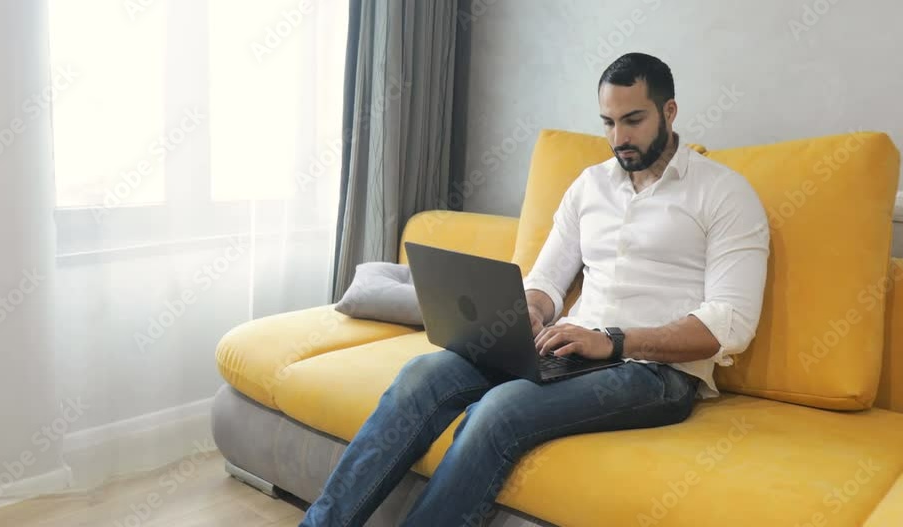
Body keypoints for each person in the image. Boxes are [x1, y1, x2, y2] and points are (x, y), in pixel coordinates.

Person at [299, 52, 770, 527]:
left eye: (633, 120)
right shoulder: (590, 186)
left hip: (655, 374)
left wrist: (613, 340)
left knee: (499, 409)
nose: (618, 138)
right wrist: (529, 312)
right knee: (422, 375)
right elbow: (546, 281)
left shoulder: (724, 194)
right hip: (568, 349)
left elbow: (730, 324)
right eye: (608, 122)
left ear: (669, 112)